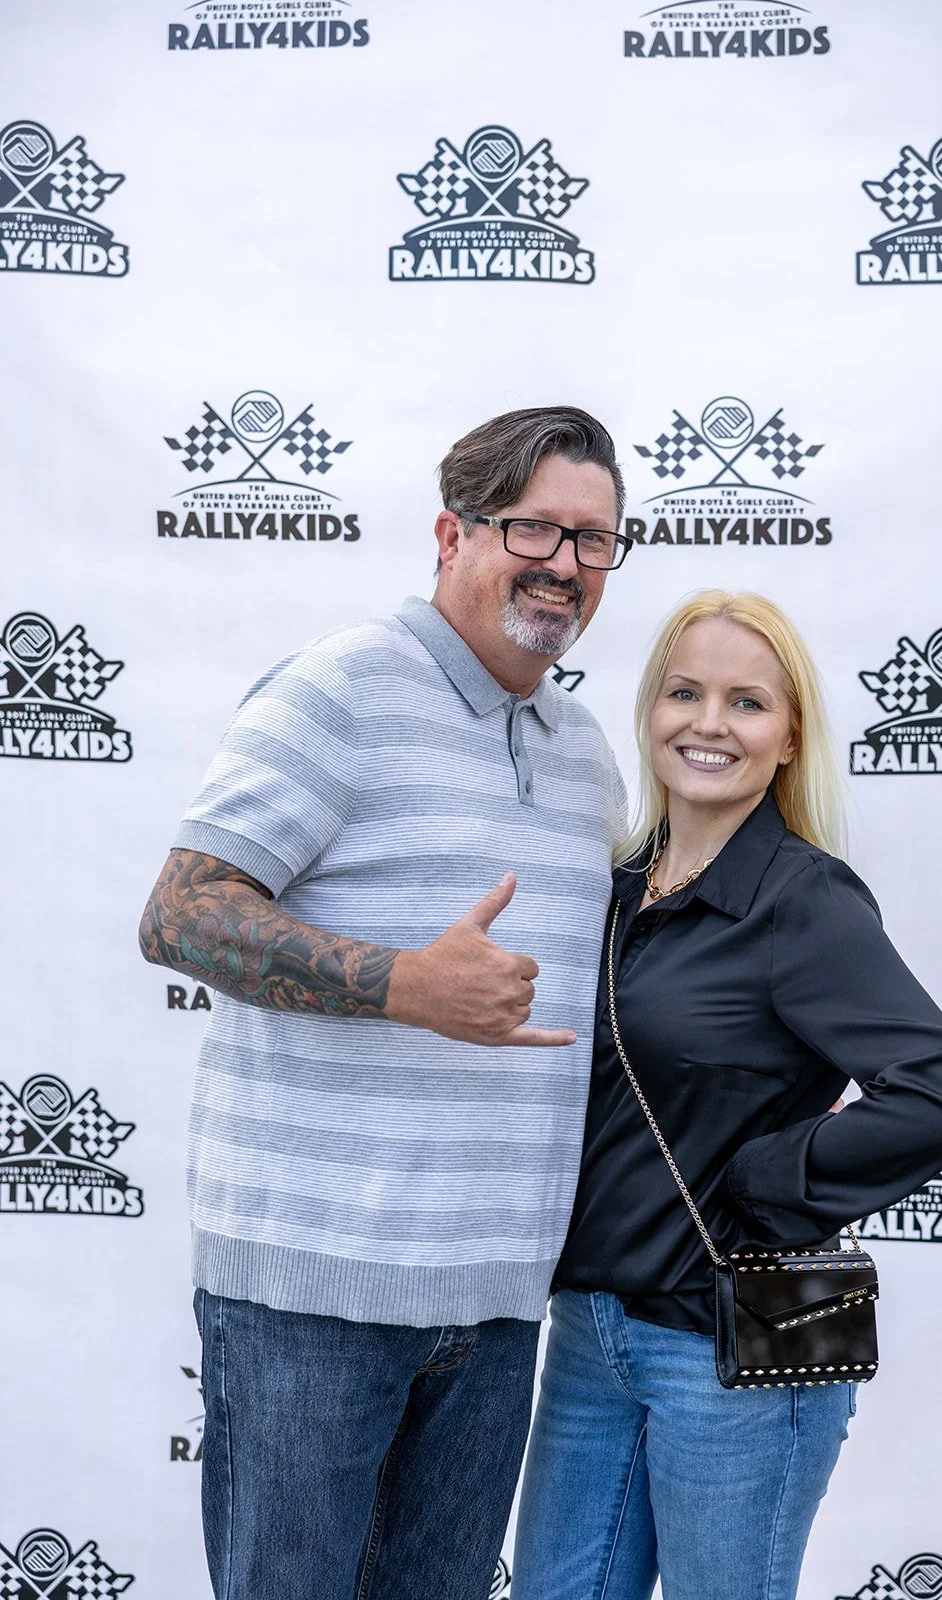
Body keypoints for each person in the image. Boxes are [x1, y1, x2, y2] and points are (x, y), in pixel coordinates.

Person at [137, 406, 634, 1600]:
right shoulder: (342, 686)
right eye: (533, 528)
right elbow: (181, 913)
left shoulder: (584, 753)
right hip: (310, 1295)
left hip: (498, 1300)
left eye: (593, 540)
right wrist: (404, 983)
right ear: (451, 534)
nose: (564, 564)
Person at [511, 590, 942, 1600]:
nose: (709, 723)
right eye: (684, 693)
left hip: (733, 1349)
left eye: (746, 702)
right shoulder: (612, 889)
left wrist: (764, 1179)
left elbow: (940, 1099)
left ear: (788, 739)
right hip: (590, 1331)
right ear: (650, 711)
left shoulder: (800, 900)